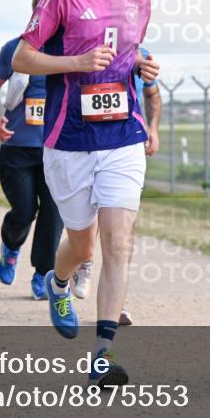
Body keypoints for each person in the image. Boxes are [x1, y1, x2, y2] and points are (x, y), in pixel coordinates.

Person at [12, 0, 160, 387]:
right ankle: (58, 282)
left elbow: (126, 52)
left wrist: (142, 68)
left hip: (123, 136)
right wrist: (75, 61)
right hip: (69, 139)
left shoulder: (140, 0)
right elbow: (23, 56)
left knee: (118, 242)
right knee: (82, 241)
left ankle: (102, 354)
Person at [74, 44, 162, 328]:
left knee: (121, 233)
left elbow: (152, 93)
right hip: (83, 146)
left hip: (124, 146)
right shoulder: (80, 44)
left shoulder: (141, 52)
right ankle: (83, 259)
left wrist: (153, 128)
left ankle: (116, 305)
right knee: (86, 231)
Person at [0, 0, 64, 300]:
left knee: (53, 214)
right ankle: (10, 247)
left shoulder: (69, 50)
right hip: (18, 147)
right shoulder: (14, 49)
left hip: (57, 149)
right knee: (25, 209)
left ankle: (43, 273)